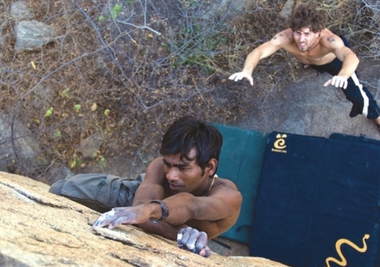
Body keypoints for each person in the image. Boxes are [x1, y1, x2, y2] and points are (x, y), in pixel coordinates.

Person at [50, 116, 242, 258]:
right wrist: (178, 231)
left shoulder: (227, 197)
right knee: (60, 189)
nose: (171, 175)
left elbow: (191, 205)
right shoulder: (160, 169)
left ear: (209, 167)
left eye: (183, 167)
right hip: (137, 197)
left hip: (153, 213)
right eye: (169, 164)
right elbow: (140, 209)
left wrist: (152, 215)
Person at [228, 3, 380, 130]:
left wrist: (343, 75)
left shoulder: (329, 41)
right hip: (313, 61)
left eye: (307, 34)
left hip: (334, 62)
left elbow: (351, 57)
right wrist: (247, 70)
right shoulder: (285, 38)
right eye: (298, 33)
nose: (301, 39)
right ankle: (310, 63)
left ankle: (377, 117)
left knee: (358, 96)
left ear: (317, 33)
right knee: (307, 57)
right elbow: (259, 51)